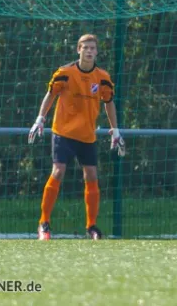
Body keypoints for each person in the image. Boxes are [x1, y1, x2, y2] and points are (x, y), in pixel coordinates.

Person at [28, 34, 126, 241]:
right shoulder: (64, 73)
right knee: (58, 170)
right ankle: (43, 223)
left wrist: (115, 130)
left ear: (97, 52)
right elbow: (51, 94)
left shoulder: (102, 77)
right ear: (78, 50)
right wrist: (40, 119)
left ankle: (91, 226)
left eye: (93, 48)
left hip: (87, 135)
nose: (89, 51)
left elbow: (109, 102)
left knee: (91, 175)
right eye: (85, 47)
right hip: (62, 132)